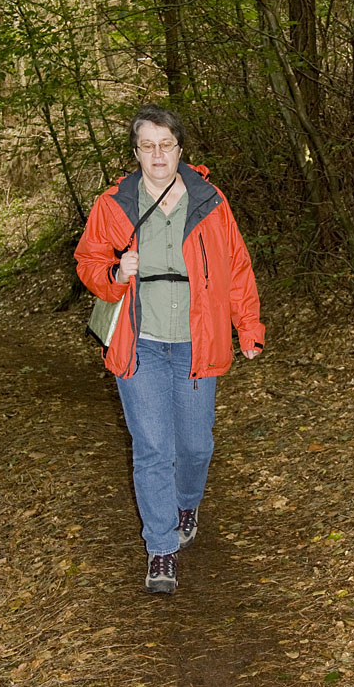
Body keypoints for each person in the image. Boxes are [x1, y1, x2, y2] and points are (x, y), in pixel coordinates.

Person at [74, 103, 265, 594]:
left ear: (180, 149)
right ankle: (161, 548)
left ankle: (187, 501)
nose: (157, 154)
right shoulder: (114, 204)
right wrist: (115, 274)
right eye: (147, 145)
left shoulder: (210, 200)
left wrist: (249, 327)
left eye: (166, 144)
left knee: (196, 444)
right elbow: (88, 261)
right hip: (140, 344)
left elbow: (238, 267)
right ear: (136, 151)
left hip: (197, 343)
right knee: (153, 448)